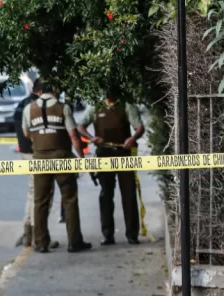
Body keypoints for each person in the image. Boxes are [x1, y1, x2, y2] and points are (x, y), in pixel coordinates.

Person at [22, 79, 92, 253]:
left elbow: (26, 132)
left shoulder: (28, 109)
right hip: (62, 157)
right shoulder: (63, 108)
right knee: (69, 199)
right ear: (53, 90)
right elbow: (74, 136)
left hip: (39, 159)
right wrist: (81, 158)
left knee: (40, 202)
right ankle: (74, 242)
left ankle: (40, 243)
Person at [76, 88, 145, 245]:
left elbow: (139, 127)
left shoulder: (126, 106)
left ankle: (132, 234)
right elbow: (80, 126)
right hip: (104, 155)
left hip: (124, 154)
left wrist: (132, 138)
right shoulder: (94, 107)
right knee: (106, 195)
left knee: (129, 194)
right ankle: (107, 234)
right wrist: (91, 138)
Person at [13, 80, 59, 249]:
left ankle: (28, 234)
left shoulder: (22, 104)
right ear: (42, 91)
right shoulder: (35, 106)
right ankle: (38, 235)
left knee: (33, 192)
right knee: (42, 194)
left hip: (25, 153)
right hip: (36, 153)